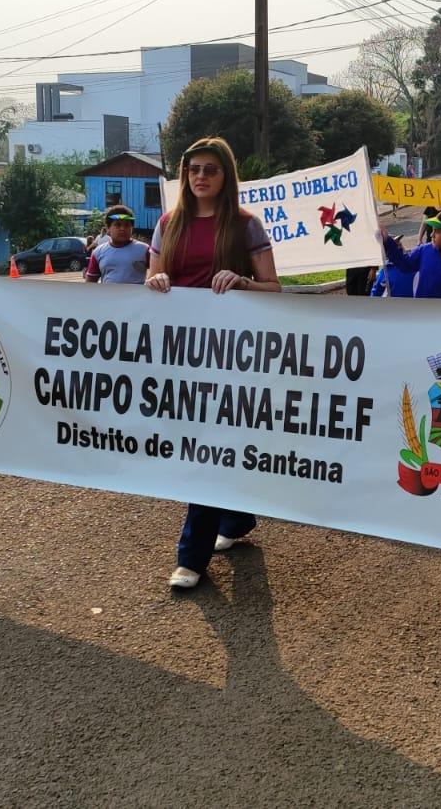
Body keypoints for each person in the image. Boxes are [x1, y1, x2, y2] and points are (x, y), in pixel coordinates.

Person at [146, 136, 283, 591]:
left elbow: (273, 289)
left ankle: (191, 556)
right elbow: (151, 278)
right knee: (199, 443)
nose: (200, 176)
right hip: (180, 354)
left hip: (232, 358)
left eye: (210, 169)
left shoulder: (246, 225)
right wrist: (158, 279)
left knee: (202, 450)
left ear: (226, 175)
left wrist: (242, 281)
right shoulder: (168, 223)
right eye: (193, 169)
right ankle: (238, 515)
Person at [380, 208, 441, 299]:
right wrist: (387, 241)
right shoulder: (424, 250)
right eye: (432, 230)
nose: (431, 235)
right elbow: (405, 265)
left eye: (437, 231)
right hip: (422, 314)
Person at [83, 206, 149, 284]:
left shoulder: (144, 250)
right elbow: (90, 283)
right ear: (108, 228)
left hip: (138, 296)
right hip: (109, 296)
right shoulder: (98, 252)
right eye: (117, 225)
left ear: (132, 228)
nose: (122, 228)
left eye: (127, 225)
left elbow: (159, 274)